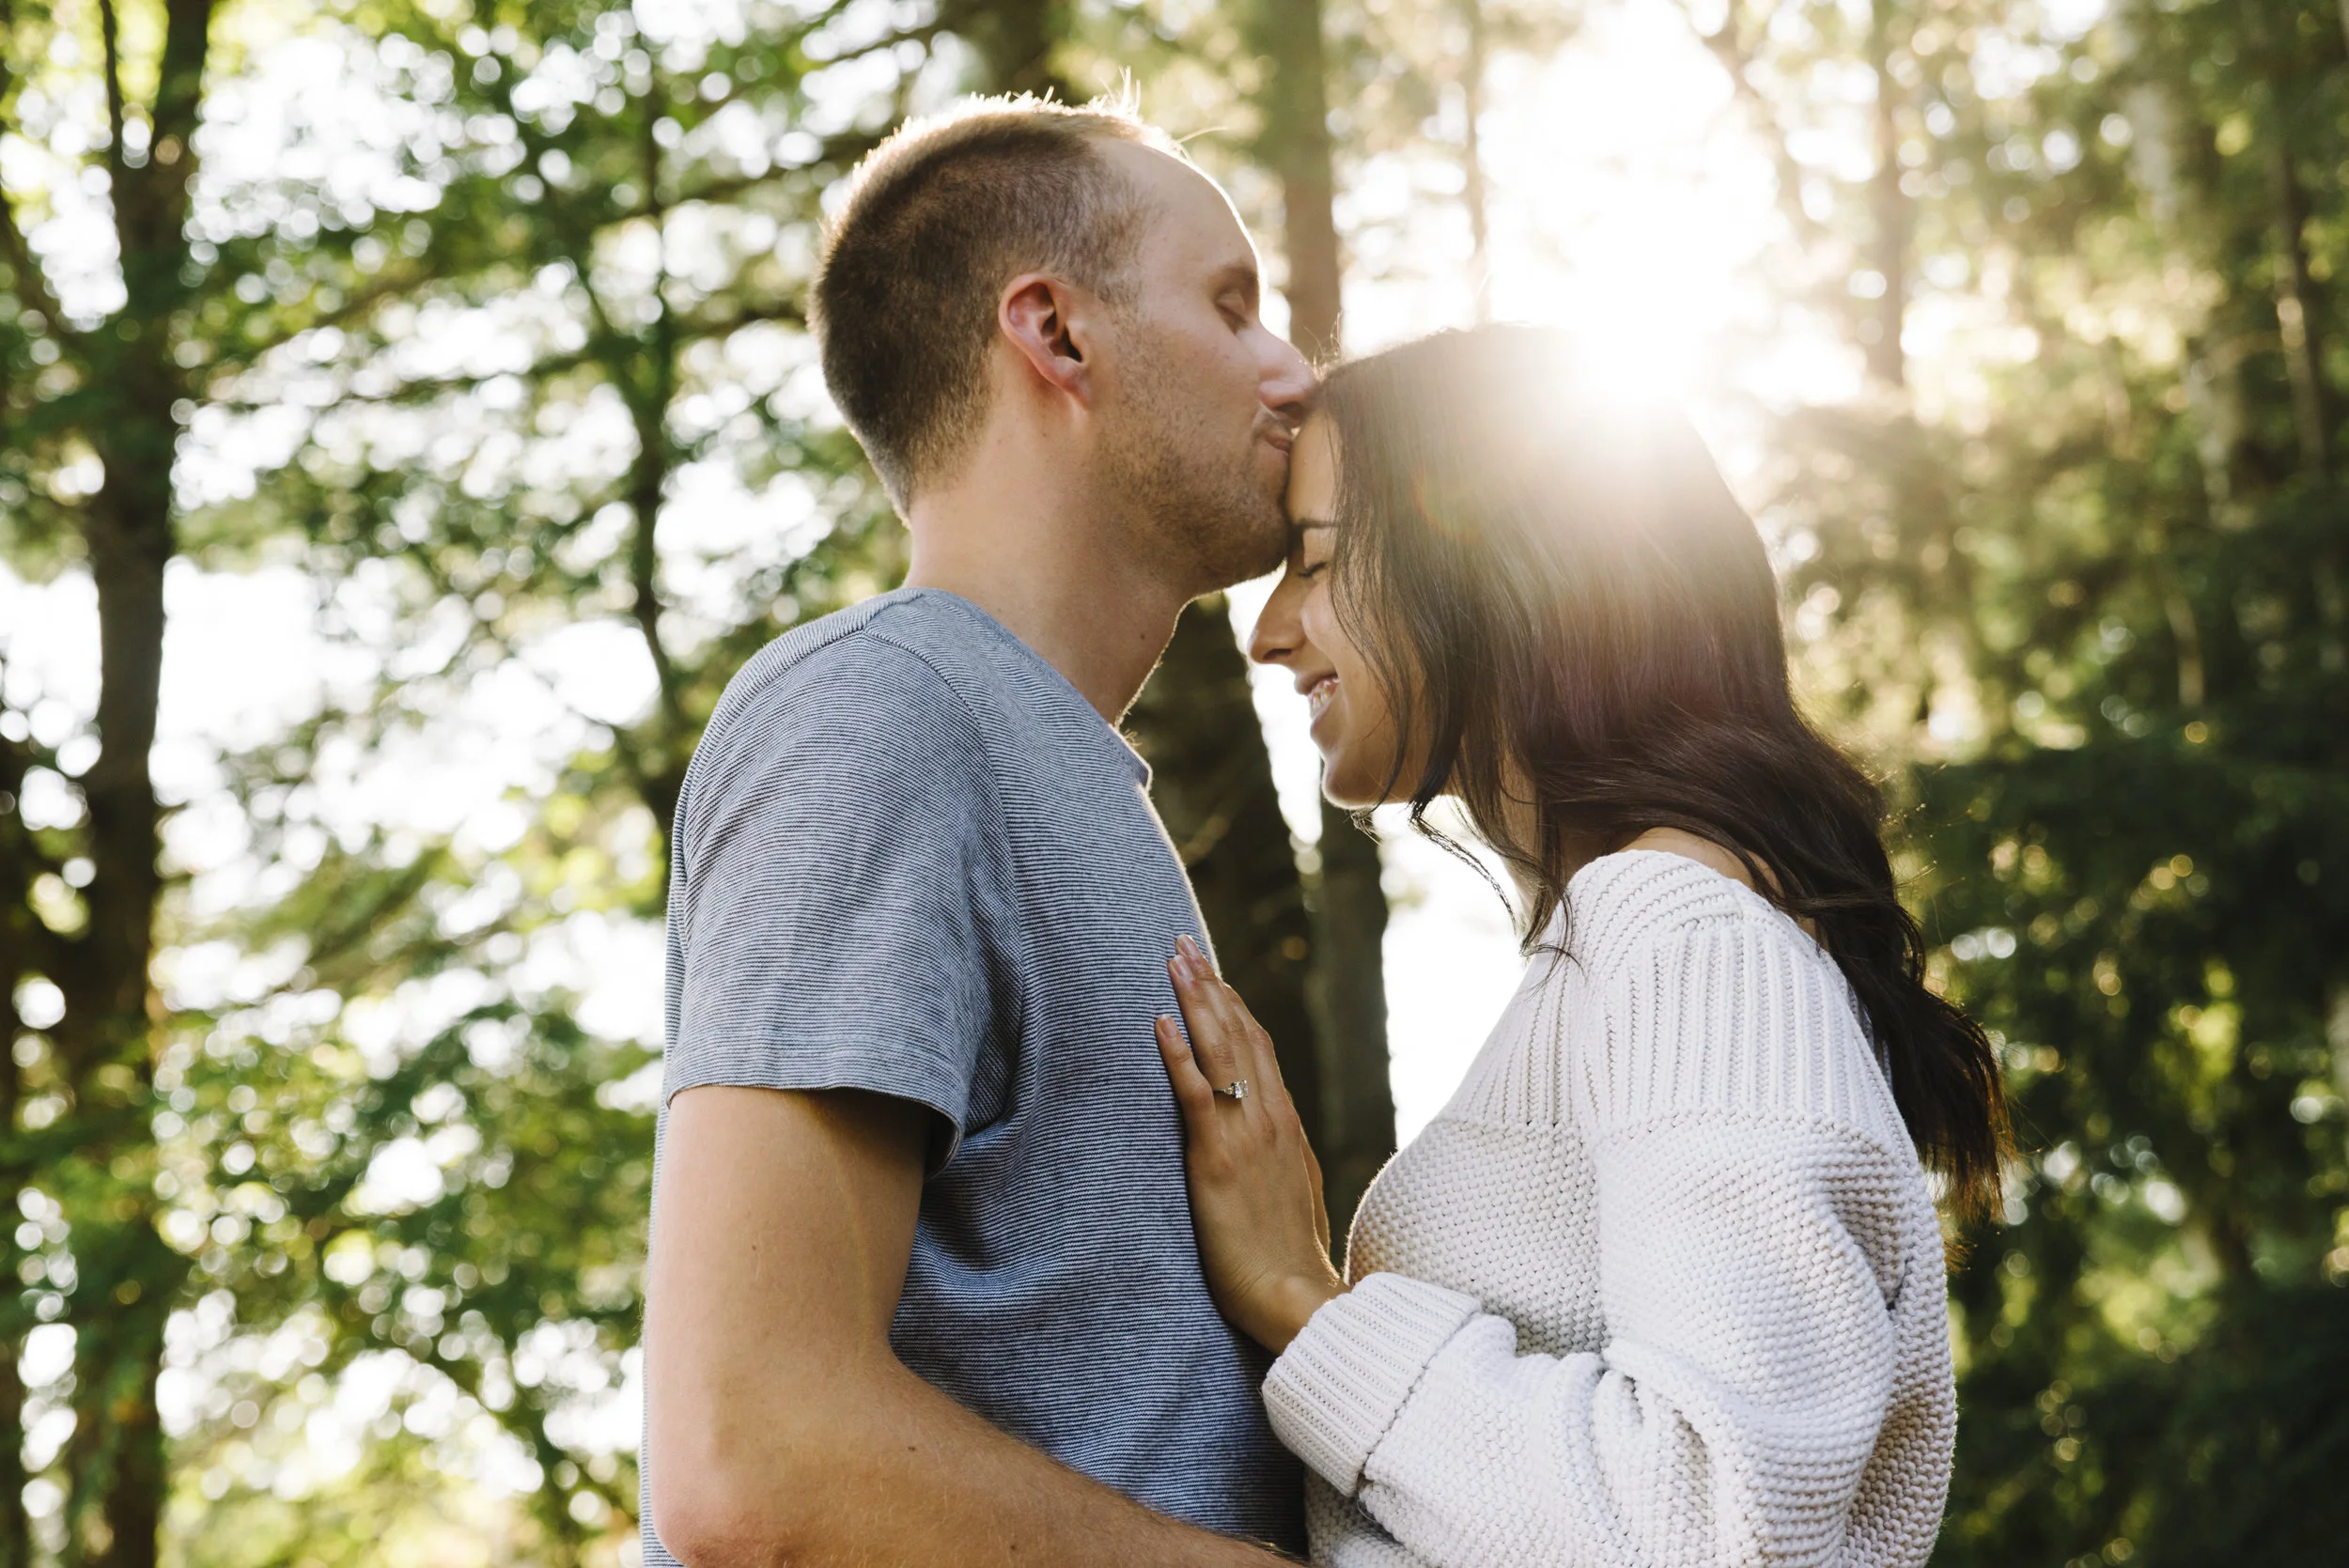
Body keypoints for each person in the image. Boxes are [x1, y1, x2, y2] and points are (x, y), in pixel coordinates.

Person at [1155, 324, 2010, 1567]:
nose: (1270, 629)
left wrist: (1303, 1303)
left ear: (1495, 557)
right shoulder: (1632, 940)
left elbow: (1715, 1515)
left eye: (1319, 559)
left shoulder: (1686, 932)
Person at [639, 97, 1318, 1566]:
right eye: (1232, 305)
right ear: (1056, 335)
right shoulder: (876, 716)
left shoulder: (1054, 772)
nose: (1294, 372)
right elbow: (747, 1458)